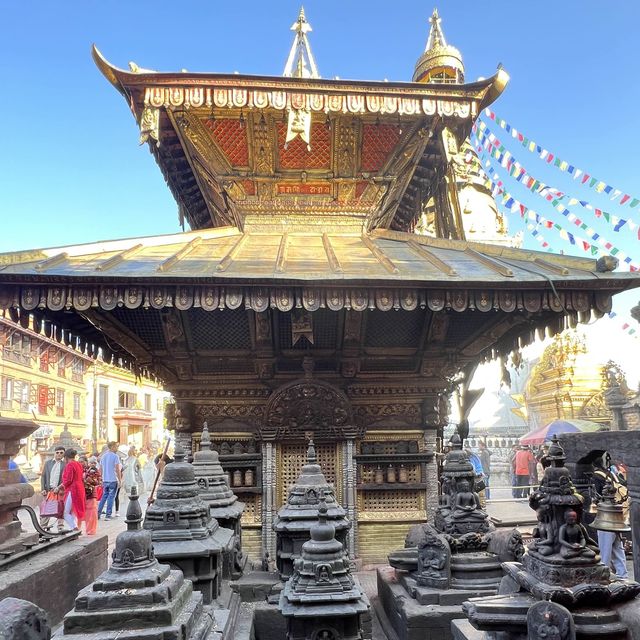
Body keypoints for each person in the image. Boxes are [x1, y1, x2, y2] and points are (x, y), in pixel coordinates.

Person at [592, 454, 628, 578]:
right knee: (618, 548)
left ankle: (604, 575)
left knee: (605, 549)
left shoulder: (596, 476)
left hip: (605, 517)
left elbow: (596, 497)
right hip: (617, 515)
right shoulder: (610, 473)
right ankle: (622, 575)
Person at [56, 449, 85, 532]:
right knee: (73, 510)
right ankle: (74, 527)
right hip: (80, 488)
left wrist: (59, 487)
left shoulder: (70, 465)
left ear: (66, 457)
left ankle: (74, 527)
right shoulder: (78, 464)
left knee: (65, 512)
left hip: (72, 490)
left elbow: (68, 480)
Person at [40, 446, 66, 532]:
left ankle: (60, 527)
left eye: (61, 453)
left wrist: (60, 488)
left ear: (64, 454)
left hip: (59, 490)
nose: (59, 454)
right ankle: (42, 527)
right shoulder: (48, 463)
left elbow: (66, 479)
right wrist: (43, 488)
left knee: (60, 508)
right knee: (46, 509)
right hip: (49, 490)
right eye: (57, 452)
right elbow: (43, 476)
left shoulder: (65, 464)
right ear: (54, 453)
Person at [97, 441, 122, 520]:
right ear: (112, 447)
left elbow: (100, 469)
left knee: (104, 497)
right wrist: (120, 480)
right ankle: (108, 515)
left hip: (105, 479)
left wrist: (100, 479)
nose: (117, 448)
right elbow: (117, 469)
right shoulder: (115, 456)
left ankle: (98, 513)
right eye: (116, 446)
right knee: (111, 497)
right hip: (113, 479)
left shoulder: (103, 456)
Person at [81, 456, 102, 535]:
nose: (92, 464)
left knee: (92, 513)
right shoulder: (85, 470)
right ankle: (88, 529)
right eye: (91, 463)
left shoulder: (95, 471)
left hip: (91, 493)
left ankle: (91, 530)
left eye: (94, 463)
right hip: (85, 493)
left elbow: (97, 482)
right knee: (88, 513)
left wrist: (87, 481)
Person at [122, 446, 143, 511]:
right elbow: (139, 467)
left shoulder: (126, 460)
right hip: (132, 475)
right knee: (133, 487)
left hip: (127, 475)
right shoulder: (134, 459)